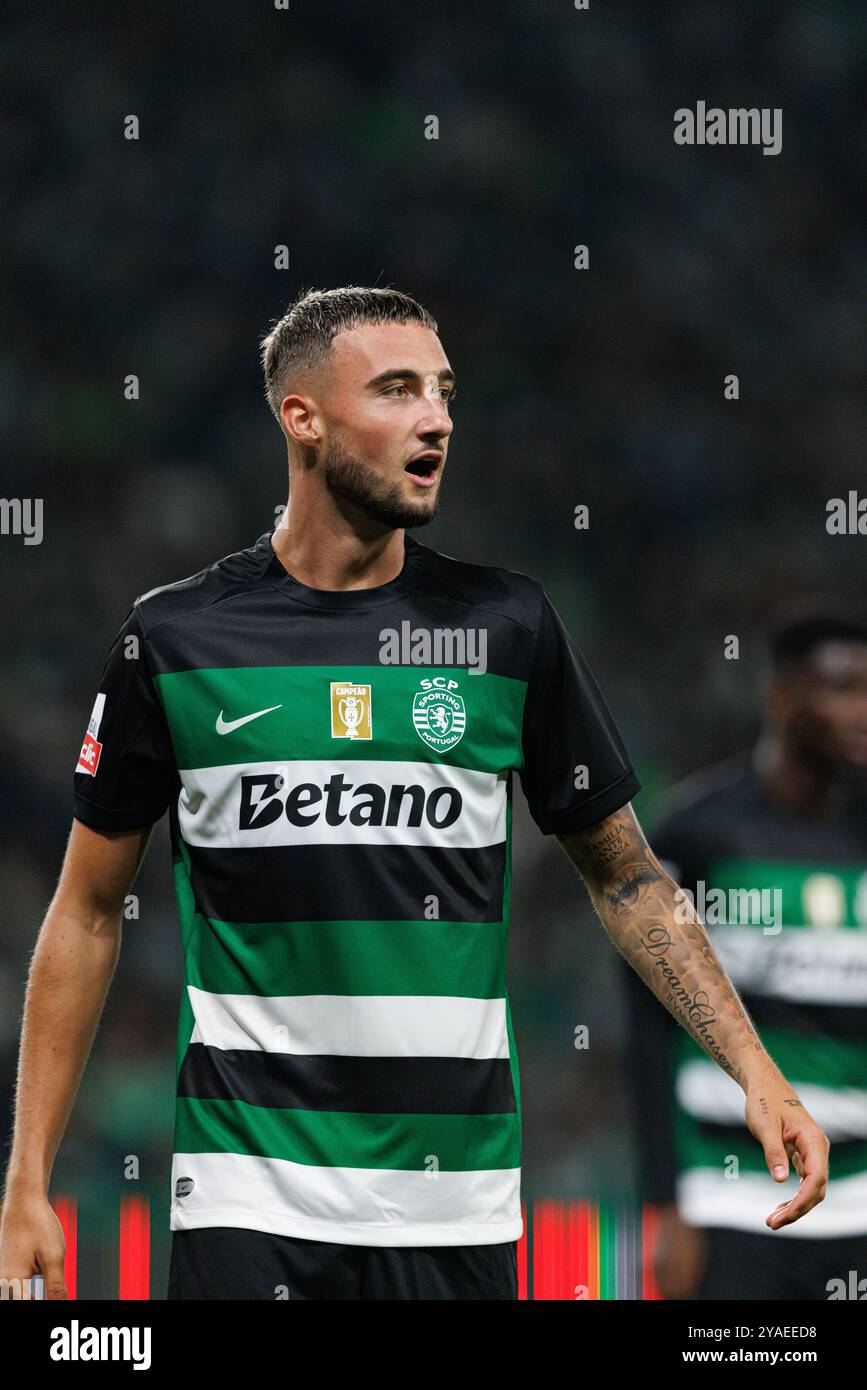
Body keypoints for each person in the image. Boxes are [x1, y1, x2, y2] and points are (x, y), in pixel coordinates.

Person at [0, 286, 830, 1301]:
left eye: (444, 391)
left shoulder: (506, 626)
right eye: (397, 389)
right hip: (244, 1197)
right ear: (300, 416)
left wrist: (755, 1068)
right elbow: (87, 909)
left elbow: (627, 881)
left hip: (457, 1201)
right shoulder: (176, 639)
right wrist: (27, 1177)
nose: (437, 416)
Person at [621, 616, 867, 1300]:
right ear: (780, 697)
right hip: (726, 1199)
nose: (862, 711)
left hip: (859, 1200)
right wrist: (667, 1206)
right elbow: (647, 1031)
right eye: (842, 689)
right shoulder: (697, 833)